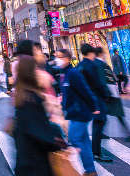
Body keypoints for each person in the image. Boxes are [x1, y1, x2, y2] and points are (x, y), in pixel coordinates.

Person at [13, 55, 66, 176]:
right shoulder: (31, 98)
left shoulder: (21, 95)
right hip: (35, 164)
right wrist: (56, 139)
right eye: (35, 69)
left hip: (26, 160)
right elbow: (39, 132)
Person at [56, 48, 100, 176]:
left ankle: (89, 170)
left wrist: (94, 106)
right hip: (74, 112)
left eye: (60, 57)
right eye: (56, 57)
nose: (57, 60)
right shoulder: (64, 74)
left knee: (75, 139)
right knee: (84, 140)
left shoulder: (73, 73)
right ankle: (90, 169)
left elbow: (85, 90)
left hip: (80, 112)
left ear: (68, 59)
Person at [77, 43, 112, 163]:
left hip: (84, 100)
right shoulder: (92, 66)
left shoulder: (79, 66)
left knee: (90, 125)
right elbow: (98, 83)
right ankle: (96, 152)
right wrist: (106, 95)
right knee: (99, 123)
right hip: (96, 99)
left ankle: (90, 150)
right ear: (91, 53)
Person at [95, 47, 130, 142]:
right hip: (109, 93)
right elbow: (102, 79)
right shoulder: (99, 64)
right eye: (103, 53)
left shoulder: (101, 63)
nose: (105, 55)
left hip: (110, 93)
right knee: (113, 114)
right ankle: (128, 134)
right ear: (100, 54)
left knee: (115, 114)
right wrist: (108, 93)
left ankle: (128, 134)